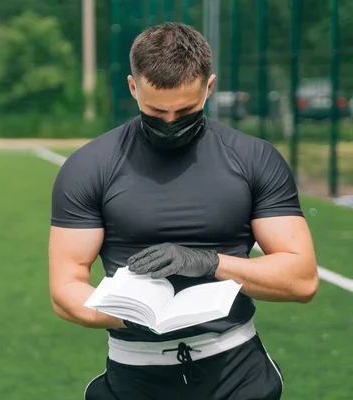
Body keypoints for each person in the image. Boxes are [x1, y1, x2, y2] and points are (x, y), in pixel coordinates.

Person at [48, 22, 318, 400]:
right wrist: (135, 316)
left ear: (208, 88)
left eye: (186, 110)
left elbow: (302, 278)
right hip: (133, 377)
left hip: (237, 375)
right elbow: (65, 288)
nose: (171, 123)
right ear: (133, 87)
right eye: (156, 111)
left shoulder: (253, 158)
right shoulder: (90, 165)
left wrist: (210, 262)